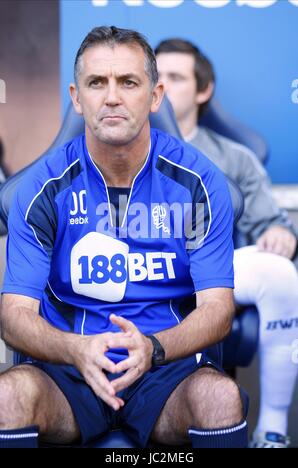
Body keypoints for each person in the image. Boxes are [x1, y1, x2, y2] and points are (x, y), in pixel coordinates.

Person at [0, 26, 248, 449]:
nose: (112, 97)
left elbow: (218, 310)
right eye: (97, 83)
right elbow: (13, 317)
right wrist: (74, 348)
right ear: (77, 98)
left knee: (220, 398)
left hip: (166, 369)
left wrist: (153, 348)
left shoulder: (198, 183)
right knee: (7, 397)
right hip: (68, 372)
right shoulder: (42, 188)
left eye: (128, 82)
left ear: (155, 96)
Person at [155, 38, 298, 449]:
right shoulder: (119, 147)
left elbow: (271, 224)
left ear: (203, 91)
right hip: (135, 271)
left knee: (279, 273)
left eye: (175, 78)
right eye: (154, 77)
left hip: (209, 272)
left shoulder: (235, 158)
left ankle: (271, 431)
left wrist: (282, 234)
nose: (161, 87)